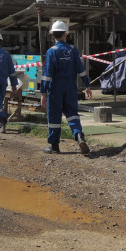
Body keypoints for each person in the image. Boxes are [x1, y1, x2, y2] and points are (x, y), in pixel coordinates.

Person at [40, 20, 93, 155]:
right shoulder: (73, 50)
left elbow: (47, 74)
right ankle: (79, 135)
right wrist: (87, 85)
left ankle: (54, 146)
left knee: (54, 117)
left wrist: (43, 93)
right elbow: (81, 70)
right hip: (70, 88)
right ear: (65, 34)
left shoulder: (52, 52)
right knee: (72, 114)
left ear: (53, 36)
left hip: (55, 89)